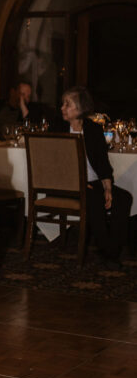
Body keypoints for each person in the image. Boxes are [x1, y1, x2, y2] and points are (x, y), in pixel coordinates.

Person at [60, 86, 132, 266]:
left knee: (122, 198)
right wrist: (79, 183)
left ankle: (112, 248)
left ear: (80, 108)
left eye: (67, 104)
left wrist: (108, 187)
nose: (62, 107)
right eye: (63, 104)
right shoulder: (58, 127)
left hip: (93, 182)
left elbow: (102, 162)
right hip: (68, 184)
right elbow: (54, 163)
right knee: (94, 198)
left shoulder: (93, 129)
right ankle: (109, 251)